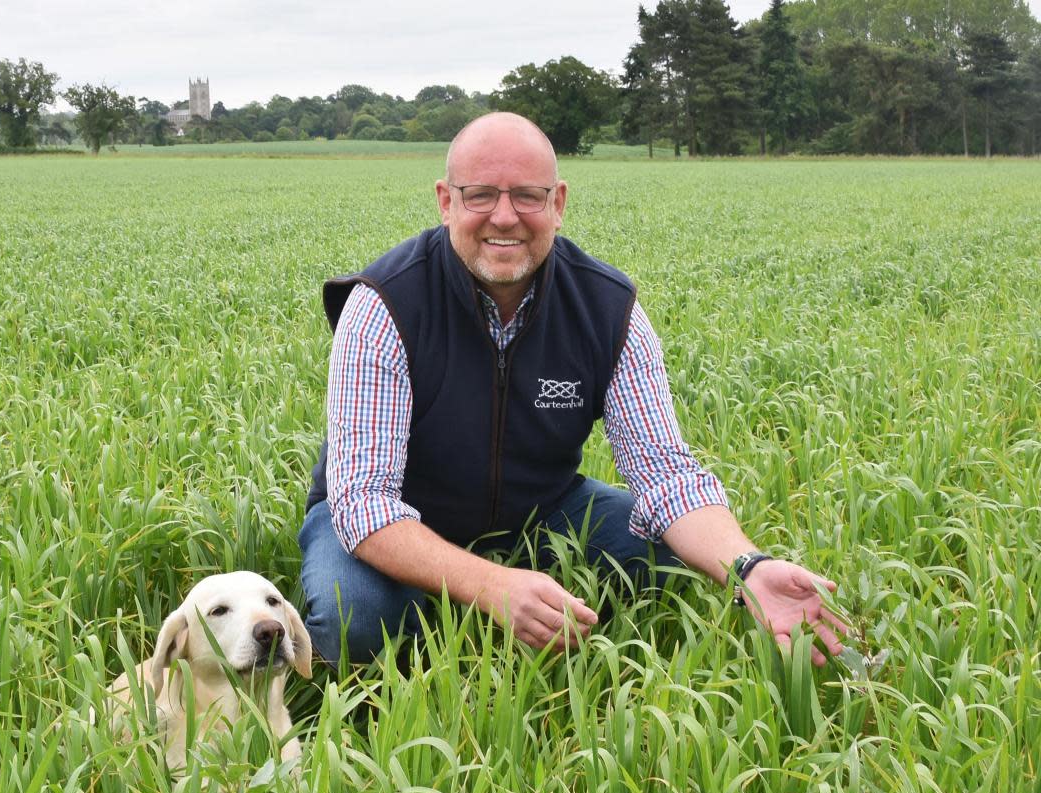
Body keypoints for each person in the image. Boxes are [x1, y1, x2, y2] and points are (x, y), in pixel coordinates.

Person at [298, 112, 846, 667]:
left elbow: (665, 471)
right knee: (357, 621)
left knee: (675, 557)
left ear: (558, 202)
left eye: (529, 196)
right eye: (480, 195)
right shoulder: (385, 303)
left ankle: (511, 578)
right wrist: (489, 585)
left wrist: (747, 567)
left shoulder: (608, 309)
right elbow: (362, 501)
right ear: (446, 202)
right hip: (400, 514)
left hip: (539, 509)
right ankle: (436, 594)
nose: (505, 217)